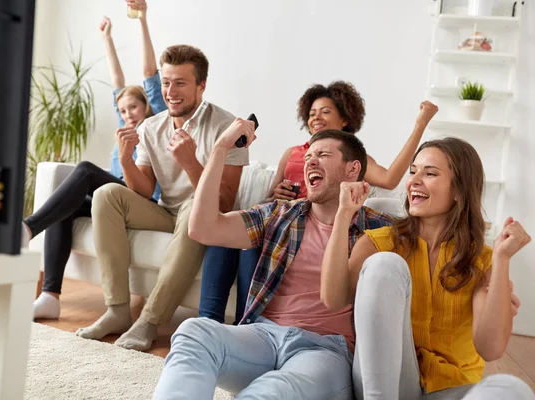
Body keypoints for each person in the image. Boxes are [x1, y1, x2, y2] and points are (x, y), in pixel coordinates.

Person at [153, 127, 393, 399]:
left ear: (353, 170)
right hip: (263, 336)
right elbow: (204, 229)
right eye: (308, 157)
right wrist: (220, 149)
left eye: (323, 155)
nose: (310, 161)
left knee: (273, 391)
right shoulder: (280, 214)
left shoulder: (381, 229)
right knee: (194, 331)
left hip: (325, 351)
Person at [199, 81, 438, 324]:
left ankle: (243, 324)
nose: (316, 118)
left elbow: (390, 179)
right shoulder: (293, 153)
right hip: (284, 225)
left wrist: (420, 126)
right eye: (312, 113)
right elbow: (268, 200)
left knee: (251, 245)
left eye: (325, 112)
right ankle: (218, 322)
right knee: (232, 238)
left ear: (344, 118)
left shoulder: (354, 157)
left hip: (323, 228)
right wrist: (275, 194)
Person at [321, 137, 534, 399]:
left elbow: (490, 349)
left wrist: (502, 260)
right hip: (387, 385)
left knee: (514, 390)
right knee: (384, 264)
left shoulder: (483, 259)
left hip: (450, 388)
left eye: (430, 173)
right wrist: (343, 214)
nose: (414, 180)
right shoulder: (380, 243)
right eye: (413, 171)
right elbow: (332, 299)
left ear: (459, 191)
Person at [74, 44, 249, 353]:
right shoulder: (151, 127)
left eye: (180, 82)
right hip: (167, 212)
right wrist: (127, 160)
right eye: (166, 82)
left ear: (201, 86)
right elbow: (143, 191)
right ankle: (117, 310)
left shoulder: (228, 127)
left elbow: (223, 202)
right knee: (106, 194)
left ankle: (149, 321)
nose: (170, 91)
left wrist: (190, 163)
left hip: (204, 216)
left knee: (196, 205)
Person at [23, 1, 165, 320]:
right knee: (67, 202)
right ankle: (51, 296)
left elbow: (147, 73)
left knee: (85, 170)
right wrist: (106, 40)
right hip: (109, 199)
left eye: (134, 108)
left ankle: (28, 228)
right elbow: (117, 81)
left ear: (147, 107)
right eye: (124, 109)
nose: (128, 113)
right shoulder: (125, 123)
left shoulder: (153, 124)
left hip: (138, 199)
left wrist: (142, 20)